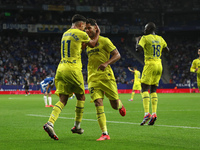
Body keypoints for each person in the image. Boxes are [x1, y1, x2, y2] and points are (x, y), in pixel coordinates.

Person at [43, 14, 100, 140]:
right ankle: (77, 126)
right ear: (81, 25)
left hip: (61, 69)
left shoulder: (65, 34)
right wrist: (98, 33)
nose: (85, 29)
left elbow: (79, 46)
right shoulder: (80, 33)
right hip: (73, 69)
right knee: (81, 97)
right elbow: (93, 44)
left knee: (63, 99)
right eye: (84, 27)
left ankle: (50, 122)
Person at [85, 18, 126, 141]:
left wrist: (107, 63)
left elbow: (117, 54)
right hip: (92, 78)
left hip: (106, 77)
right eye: (85, 28)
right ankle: (105, 133)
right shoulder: (87, 44)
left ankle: (120, 105)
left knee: (114, 105)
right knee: (98, 103)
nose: (87, 30)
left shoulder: (105, 41)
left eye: (89, 28)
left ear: (95, 28)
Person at [136, 22, 169, 126]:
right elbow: (167, 50)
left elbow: (138, 49)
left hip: (150, 64)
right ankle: (154, 113)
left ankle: (146, 113)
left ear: (149, 28)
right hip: (159, 65)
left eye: (145, 28)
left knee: (144, 88)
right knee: (154, 89)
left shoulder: (145, 38)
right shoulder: (160, 38)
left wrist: (137, 40)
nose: (144, 30)